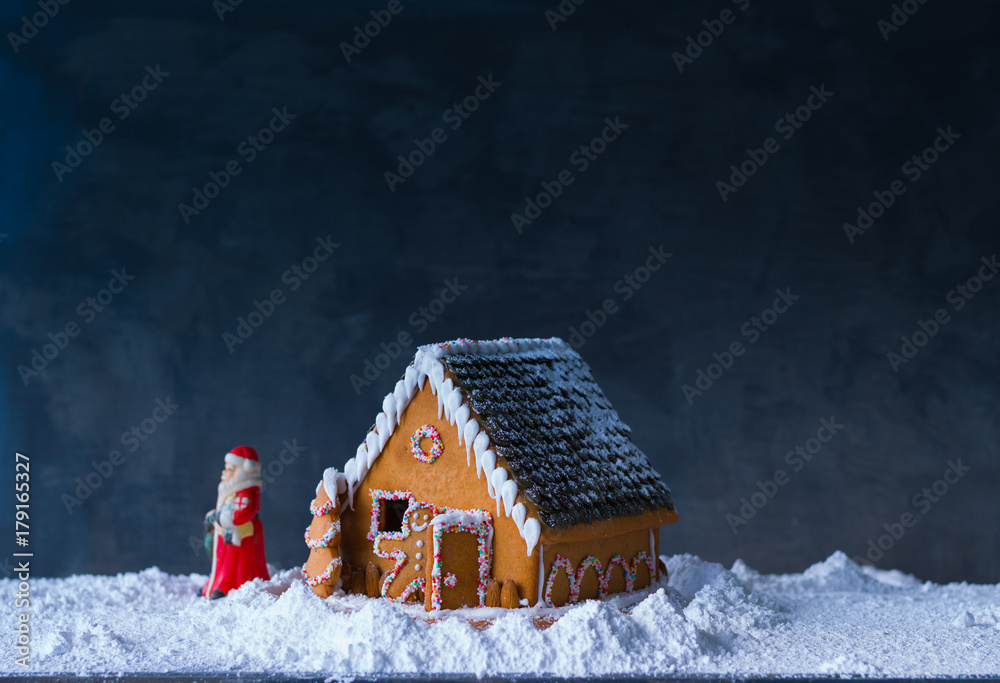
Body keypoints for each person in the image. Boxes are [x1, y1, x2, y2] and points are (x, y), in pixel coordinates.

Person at [201, 446, 270, 598]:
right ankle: (215, 583)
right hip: (226, 533)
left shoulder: (247, 492)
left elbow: (243, 513)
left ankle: (229, 586)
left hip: (241, 535)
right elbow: (224, 508)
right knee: (221, 561)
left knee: (236, 564)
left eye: (230, 469)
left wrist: (221, 518)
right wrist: (214, 516)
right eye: (225, 469)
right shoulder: (231, 490)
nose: (224, 473)